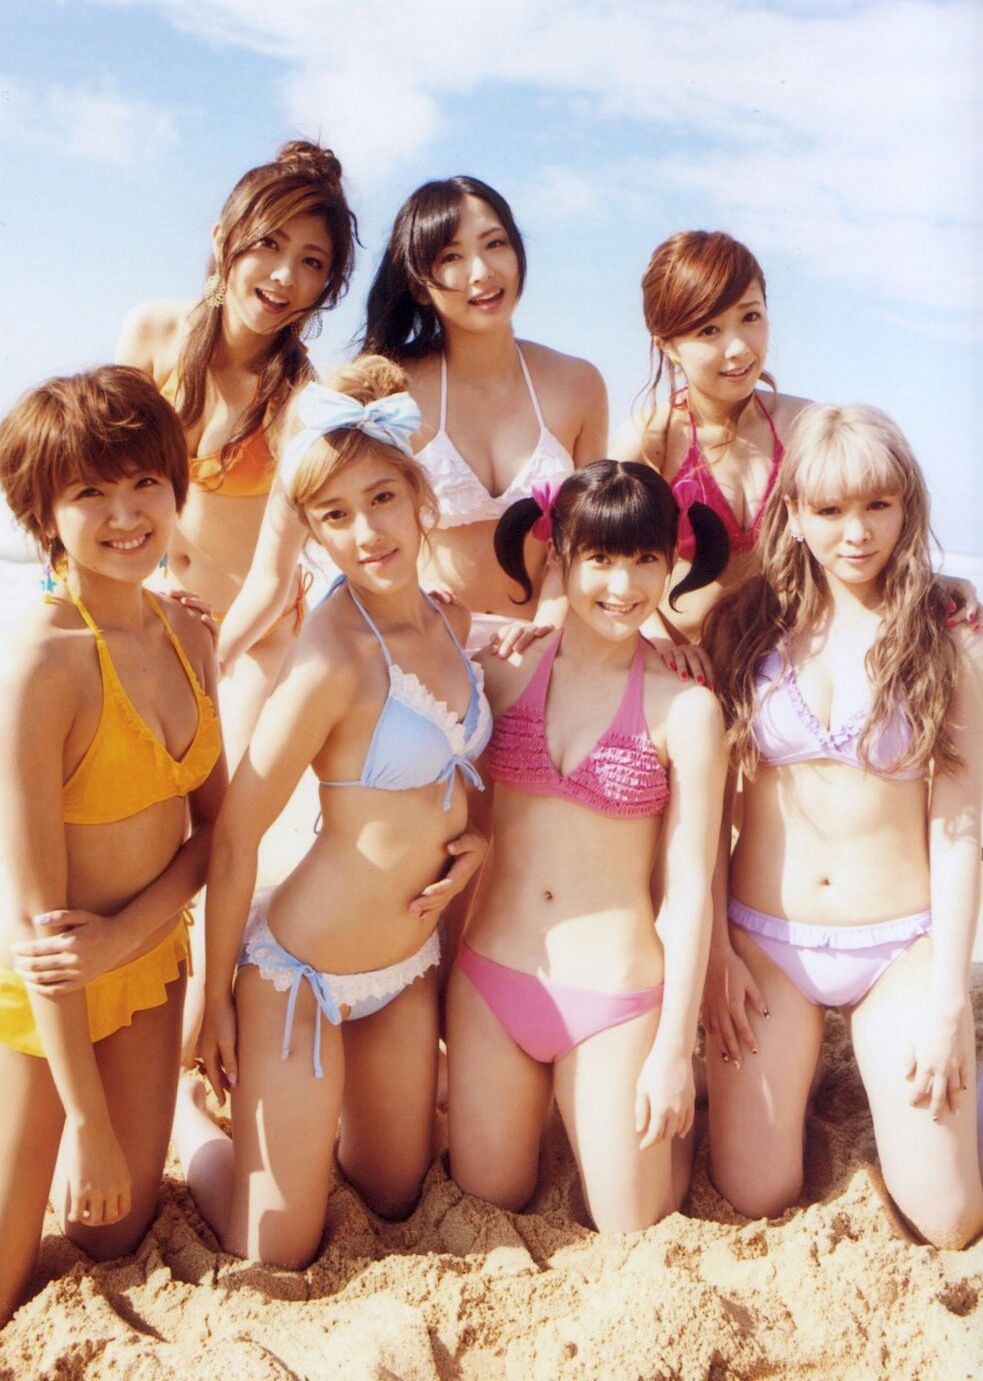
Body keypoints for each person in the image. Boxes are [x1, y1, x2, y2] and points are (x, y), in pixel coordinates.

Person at [173, 356, 489, 1268]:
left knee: (393, 1191)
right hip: (301, 976)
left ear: (417, 493)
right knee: (274, 1247)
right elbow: (236, 834)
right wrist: (213, 1000)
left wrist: (478, 841)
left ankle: (304, 1127)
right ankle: (195, 1126)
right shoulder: (329, 659)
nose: (366, 532)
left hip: (405, 970)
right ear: (311, 528)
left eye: (381, 498)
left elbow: (457, 772)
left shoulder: (450, 620)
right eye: (334, 515)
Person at [701, 404, 983, 1249]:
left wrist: (948, 997)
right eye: (828, 510)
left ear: (906, 506)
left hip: (899, 946)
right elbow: (707, 814)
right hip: (763, 943)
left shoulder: (943, 639)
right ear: (793, 512)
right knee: (755, 1191)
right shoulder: (744, 625)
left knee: (948, 1220)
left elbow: (959, 821)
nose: (855, 533)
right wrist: (714, 950)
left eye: (876, 506)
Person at [0, 367, 225, 1326]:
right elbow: (41, 933)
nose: (126, 514)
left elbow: (216, 830)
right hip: (40, 991)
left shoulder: (188, 633)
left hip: (147, 963)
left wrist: (127, 937)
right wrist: (86, 1122)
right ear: (45, 514)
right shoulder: (39, 663)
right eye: (90, 491)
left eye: (145, 483)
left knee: (115, 1232)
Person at [447, 461, 728, 1231]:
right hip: (493, 979)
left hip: (613, 997)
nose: (623, 585)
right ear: (560, 554)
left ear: (670, 561)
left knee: (628, 1221)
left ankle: (655, 1117)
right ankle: (558, 1103)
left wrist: (673, 1050)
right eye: (600, 558)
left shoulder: (687, 709)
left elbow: (689, 890)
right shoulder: (502, 672)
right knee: (489, 1192)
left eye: (645, 559)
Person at [116, 138, 358, 765]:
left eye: (311, 262)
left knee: (221, 794)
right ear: (224, 236)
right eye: (269, 244)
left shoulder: (303, 402)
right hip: (152, 608)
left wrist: (205, 660)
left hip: (250, 634)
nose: (284, 276)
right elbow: (101, 481)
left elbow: (273, 579)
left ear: (326, 284)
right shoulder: (153, 332)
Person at [612, 230, 810, 647]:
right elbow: (603, 570)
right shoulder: (649, 443)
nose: (737, 348)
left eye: (750, 317)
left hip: (785, 661)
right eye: (708, 330)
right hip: (678, 661)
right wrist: (658, 645)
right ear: (668, 345)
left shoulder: (806, 427)